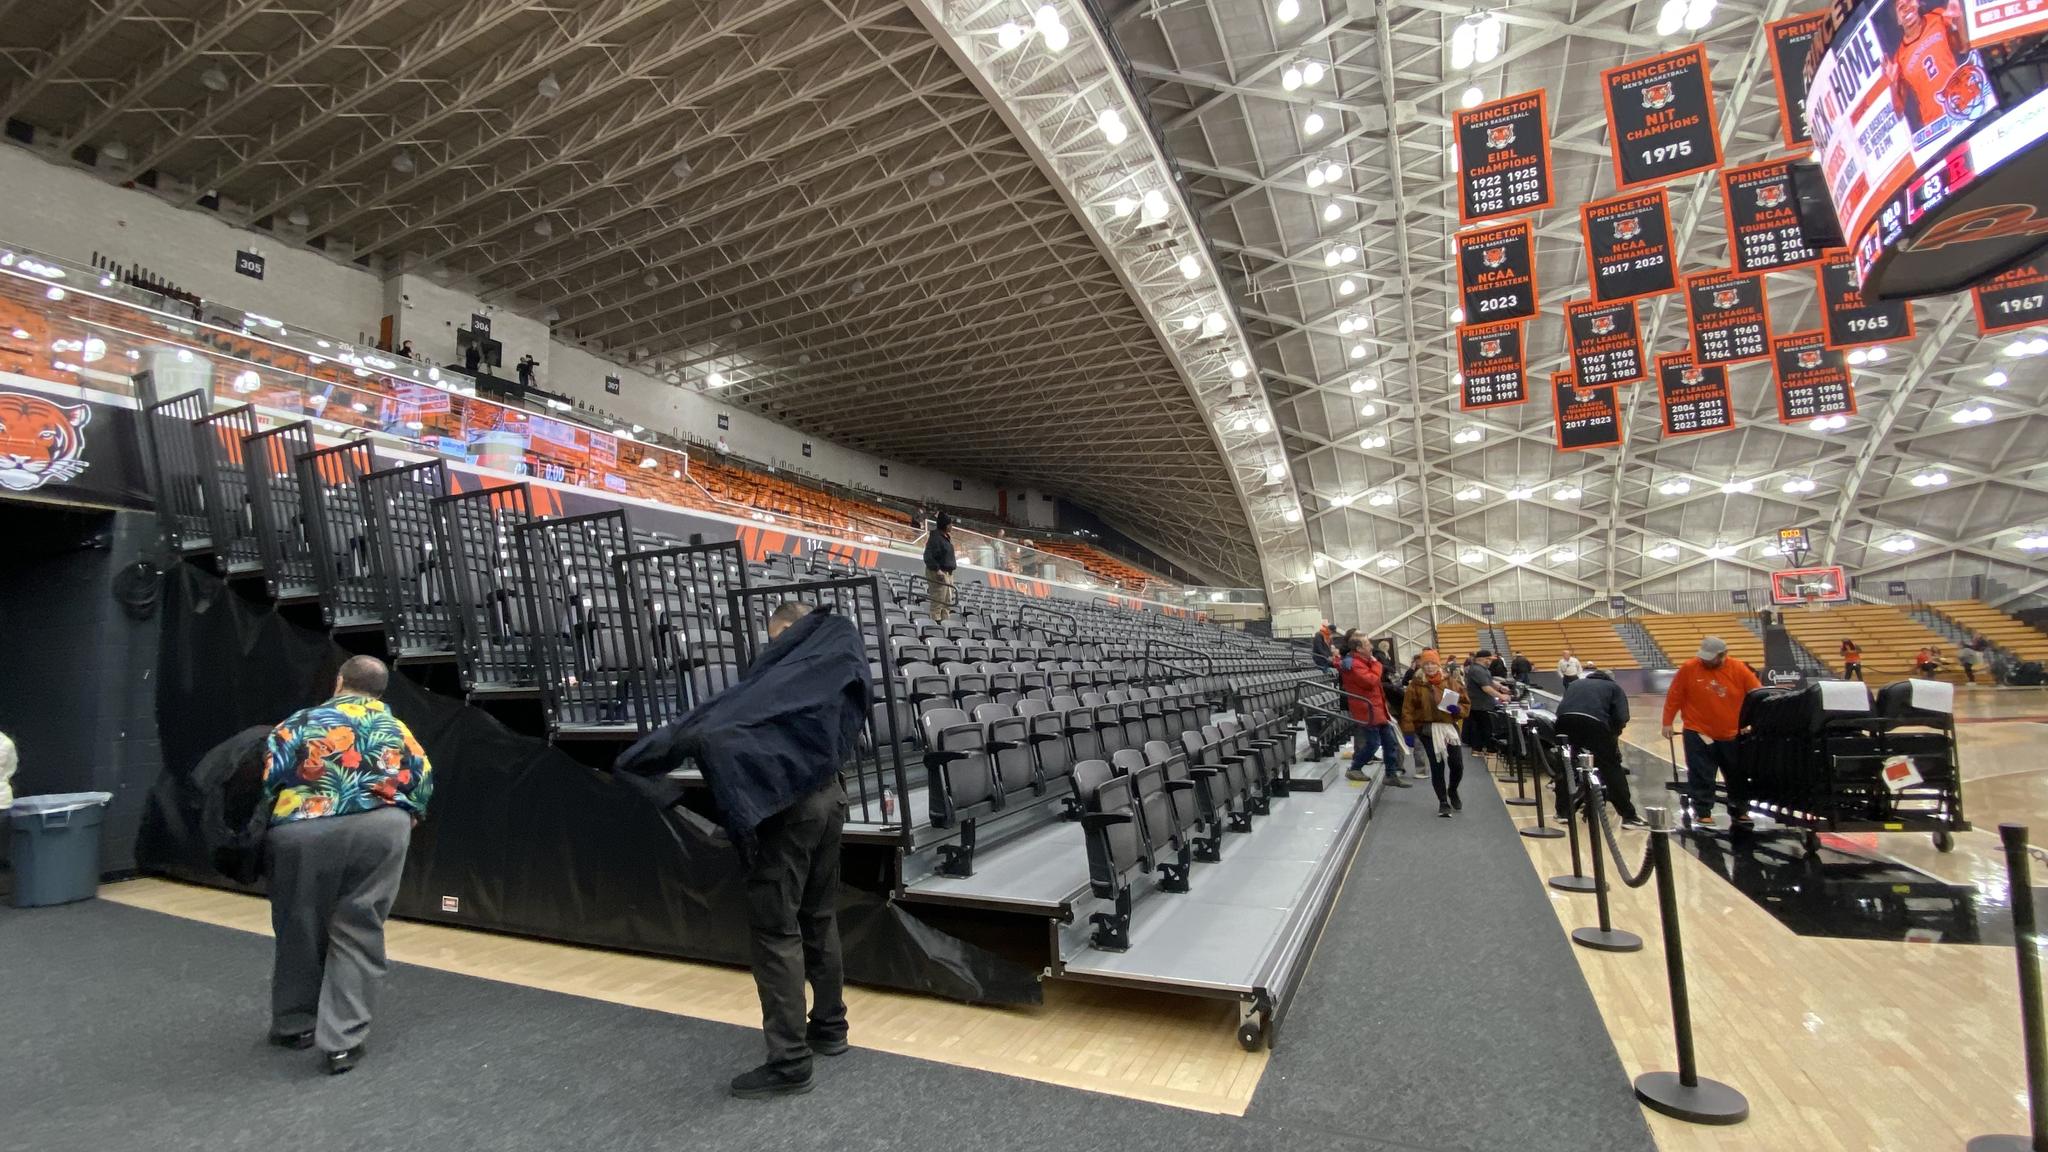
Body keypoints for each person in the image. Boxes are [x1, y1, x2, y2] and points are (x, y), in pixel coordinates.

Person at [613, 601, 867, 1100]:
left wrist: (644, 767)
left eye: (775, 639)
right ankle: (830, 1030)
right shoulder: (831, 666)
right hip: (832, 798)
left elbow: (713, 724)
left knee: (776, 933)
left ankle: (790, 1062)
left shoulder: (778, 680)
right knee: (818, 917)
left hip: (790, 814)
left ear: (788, 633)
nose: (770, 650)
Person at [261, 655, 432, 1074]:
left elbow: (270, 776)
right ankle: (341, 1043)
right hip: (382, 828)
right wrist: (406, 815)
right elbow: (422, 777)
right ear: (380, 690)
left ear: (339, 681)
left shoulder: (298, 722)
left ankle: (294, 1024)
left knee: (298, 922)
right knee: (359, 926)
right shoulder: (398, 729)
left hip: (304, 830)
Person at [1661, 636, 1760, 829]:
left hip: (1732, 733)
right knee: (1701, 773)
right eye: (1704, 657)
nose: (1705, 661)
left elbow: (1757, 694)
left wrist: (1755, 722)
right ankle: (1703, 811)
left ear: (1723, 655)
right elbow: (1675, 695)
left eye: (1711, 658)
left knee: (1736, 773)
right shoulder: (1689, 668)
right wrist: (1667, 722)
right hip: (1698, 730)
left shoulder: (1739, 669)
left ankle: (1740, 809)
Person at [1555, 664, 1645, 827]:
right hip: (1594, 723)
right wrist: (1613, 736)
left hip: (1564, 721)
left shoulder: (1575, 684)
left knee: (1566, 765)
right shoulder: (1614, 688)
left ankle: (1562, 812)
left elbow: (1563, 707)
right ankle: (1628, 815)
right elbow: (1621, 716)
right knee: (1611, 767)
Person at [1335, 634, 1410, 786]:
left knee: (1390, 742)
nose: (1371, 647)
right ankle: (1355, 768)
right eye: (1368, 644)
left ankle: (1390, 774)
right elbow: (1371, 681)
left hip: (1376, 708)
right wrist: (1377, 665)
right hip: (1367, 709)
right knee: (1373, 743)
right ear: (1359, 648)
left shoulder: (1363, 662)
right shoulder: (1355, 665)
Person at [1401, 649, 1467, 817]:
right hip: (1427, 730)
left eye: (1432, 663)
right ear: (1421, 666)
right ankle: (1443, 802)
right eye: (1426, 664)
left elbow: (1465, 703)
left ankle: (1452, 790)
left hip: (1449, 727)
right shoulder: (1415, 685)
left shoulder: (1451, 682)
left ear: (1438, 664)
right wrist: (1408, 731)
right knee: (1437, 766)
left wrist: (1457, 709)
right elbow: (1407, 709)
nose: (1430, 667)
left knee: (1457, 764)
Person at [1463, 649, 1510, 753]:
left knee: (1482, 727)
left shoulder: (1482, 669)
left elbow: (1489, 681)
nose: (1490, 661)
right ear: (1482, 659)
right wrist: (1502, 696)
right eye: (1489, 659)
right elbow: (1486, 688)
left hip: (1481, 704)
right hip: (1480, 705)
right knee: (1484, 728)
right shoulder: (1478, 670)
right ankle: (1484, 749)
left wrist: (1500, 687)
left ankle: (1481, 749)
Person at [922, 513, 957, 619]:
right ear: (945, 525)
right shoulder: (935, 537)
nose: (952, 526)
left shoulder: (946, 537)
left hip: (948, 573)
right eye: (950, 524)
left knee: (947, 603)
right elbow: (928, 556)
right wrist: (937, 570)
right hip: (939, 573)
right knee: (938, 602)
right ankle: (936, 626)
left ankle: (945, 626)